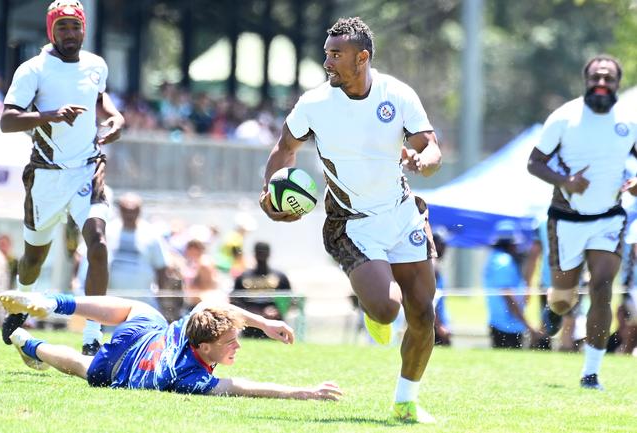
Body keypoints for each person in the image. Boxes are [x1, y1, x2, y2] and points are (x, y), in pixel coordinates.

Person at [259, 17, 441, 423]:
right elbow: (284, 149)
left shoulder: (398, 94)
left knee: (423, 313)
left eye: (336, 55)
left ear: (362, 57)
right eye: (326, 53)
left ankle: (405, 401)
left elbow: (429, 148)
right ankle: (373, 306)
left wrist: (423, 162)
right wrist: (268, 192)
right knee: (388, 310)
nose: (327, 62)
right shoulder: (315, 104)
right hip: (351, 221)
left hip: (401, 212)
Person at [0, 0, 125, 355]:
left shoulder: (96, 65)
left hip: (88, 168)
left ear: (84, 28)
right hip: (46, 176)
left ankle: (91, 338)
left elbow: (102, 102)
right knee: (32, 260)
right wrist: (51, 115)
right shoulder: (33, 70)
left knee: (97, 244)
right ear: (50, 30)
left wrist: (116, 119)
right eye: (62, 27)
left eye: (75, 26)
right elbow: (7, 121)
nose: (70, 33)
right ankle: (23, 303)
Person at [0, 290, 342, 400]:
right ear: (205, 349)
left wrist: (264, 324)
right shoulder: (187, 378)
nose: (237, 346)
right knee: (77, 365)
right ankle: (25, 340)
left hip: (145, 334)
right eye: (229, 342)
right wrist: (303, 392)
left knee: (141, 309)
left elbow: (212, 306)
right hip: (116, 370)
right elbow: (245, 387)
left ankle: (56, 303)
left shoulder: (188, 329)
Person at [527, 54, 637, 389]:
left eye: (609, 79)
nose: (602, 84)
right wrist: (565, 181)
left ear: (617, 84)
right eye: (596, 78)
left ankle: (591, 372)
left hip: (609, 218)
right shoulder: (564, 117)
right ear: (586, 81)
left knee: (602, 288)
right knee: (564, 297)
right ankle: (557, 309)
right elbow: (535, 163)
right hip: (566, 219)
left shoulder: (629, 121)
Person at [484, 220, 541, 349]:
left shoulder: (493, 258)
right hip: (508, 327)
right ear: (510, 244)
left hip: (499, 323)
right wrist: (529, 326)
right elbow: (509, 299)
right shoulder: (504, 262)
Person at [231, 241, 293, 339]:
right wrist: (252, 312)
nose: (261, 256)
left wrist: (278, 310)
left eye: (264, 253)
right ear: (254, 254)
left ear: (269, 254)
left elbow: (289, 299)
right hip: (250, 325)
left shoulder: (280, 276)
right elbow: (235, 300)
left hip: (275, 323)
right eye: (259, 253)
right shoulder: (243, 277)